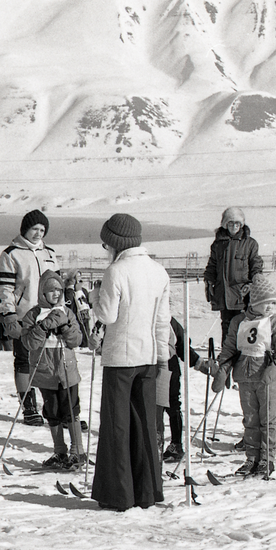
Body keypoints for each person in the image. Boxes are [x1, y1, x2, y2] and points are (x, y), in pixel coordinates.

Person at [91, 213, 171, 511]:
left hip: (120, 359)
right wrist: (161, 356)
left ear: (115, 242)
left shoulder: (116, 271)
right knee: (145, 426)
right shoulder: (159, 271)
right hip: (149, 357)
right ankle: (147, 492)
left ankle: (119, 494)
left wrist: (95, 296)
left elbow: (107, 315)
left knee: (118, 427)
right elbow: (163, 321)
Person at [213, 275, 276, 477]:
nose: (270, 307)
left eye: (273, 303)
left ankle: (267, 458)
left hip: (266, 378)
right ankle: (252, 458)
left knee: (268, 419)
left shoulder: (275, 322)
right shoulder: (238, 321)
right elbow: (229, 348)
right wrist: (223, 370)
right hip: (244, 378)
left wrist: (275, 368)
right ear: (254, 303)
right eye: (266, 303)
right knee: (250, 420)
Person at [0, 210, 59, 426]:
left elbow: (57, 285)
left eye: (42, 230)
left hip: (48, 316)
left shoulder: (49, 253)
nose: (38, 233)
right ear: (25, 230)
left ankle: (55, 407)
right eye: (34, 229)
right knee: (24, 361)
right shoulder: (11, 254)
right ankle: (29, 407)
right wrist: (9, 314)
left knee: (50, 362)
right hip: (24, 316)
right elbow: (5, 288)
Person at [20, 271, 85, 470]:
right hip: (45, 369)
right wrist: (42, 327)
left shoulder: (67, 312)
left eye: (58, 290)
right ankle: (60, 451)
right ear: (42, 293)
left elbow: (77, 340)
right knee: (52, 411)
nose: (56, 294)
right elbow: (29, 343)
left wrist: (64, 326)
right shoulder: (33, 314)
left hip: (66, 368)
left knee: (71, 409)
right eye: (51, 291)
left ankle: (77, 451)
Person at [204, 207, 263, 344]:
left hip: (242, 294)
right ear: (225, 224)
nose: (234, 226)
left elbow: (256, 264)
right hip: (224, 294)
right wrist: (208, 280)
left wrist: (254, 281)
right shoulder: (217, 245)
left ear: (241, 225)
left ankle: (242, 357)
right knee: (226, 326)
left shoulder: (250, 244)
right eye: (231, 223)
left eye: (237, 223)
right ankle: (226, 356)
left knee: (243, 326)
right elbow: (212, 264)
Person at [159, 317, 209, 463]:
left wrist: (198, 363)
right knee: (153, 408)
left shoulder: (167, 319)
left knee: (171, 404)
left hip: (168, 365)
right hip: (150, 365)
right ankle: (155, 444)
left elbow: (182, 345)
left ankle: (176, 444)